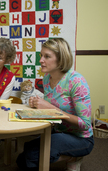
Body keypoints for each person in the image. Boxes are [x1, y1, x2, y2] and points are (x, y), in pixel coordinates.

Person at [16, 38, 94, 171]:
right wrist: (37, 104)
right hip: (59, 130)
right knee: (25, 152)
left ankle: (73, 157)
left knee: (31, 157)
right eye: (41, 55)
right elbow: (51, 109)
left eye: (47, 56)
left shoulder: (76, 81)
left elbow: (85, 124)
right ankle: (67, 155)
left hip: (81, 138)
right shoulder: (47, 79)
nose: (41, 60)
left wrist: (51, 108)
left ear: (61, 59)